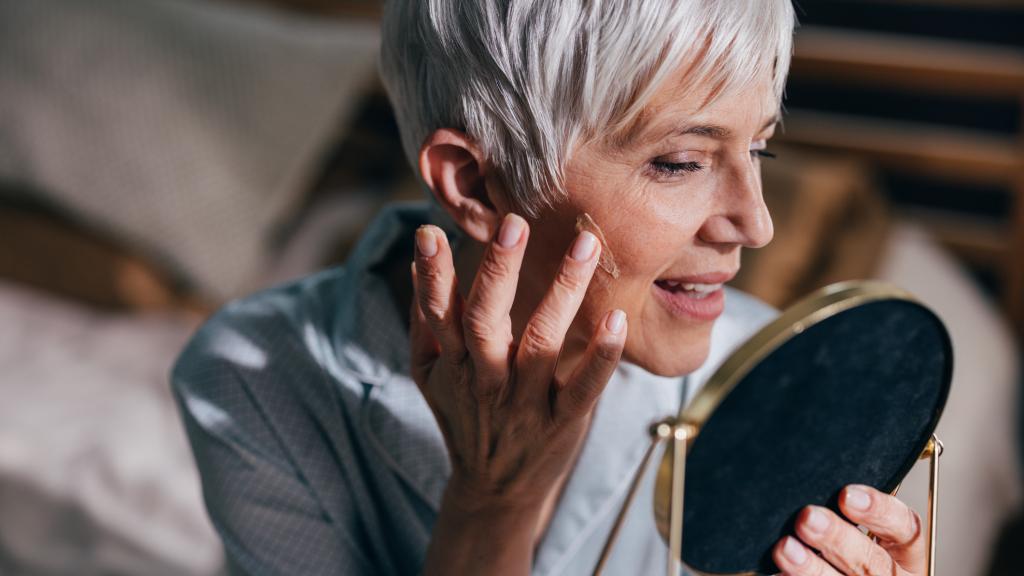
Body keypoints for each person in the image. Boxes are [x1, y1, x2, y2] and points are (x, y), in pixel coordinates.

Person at [172, 1, 929, 574]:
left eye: (758, 148)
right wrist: (493, 501)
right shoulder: (253, 379)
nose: (754, 223)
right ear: (474, 181)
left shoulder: (781, 378)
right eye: (679, 162)